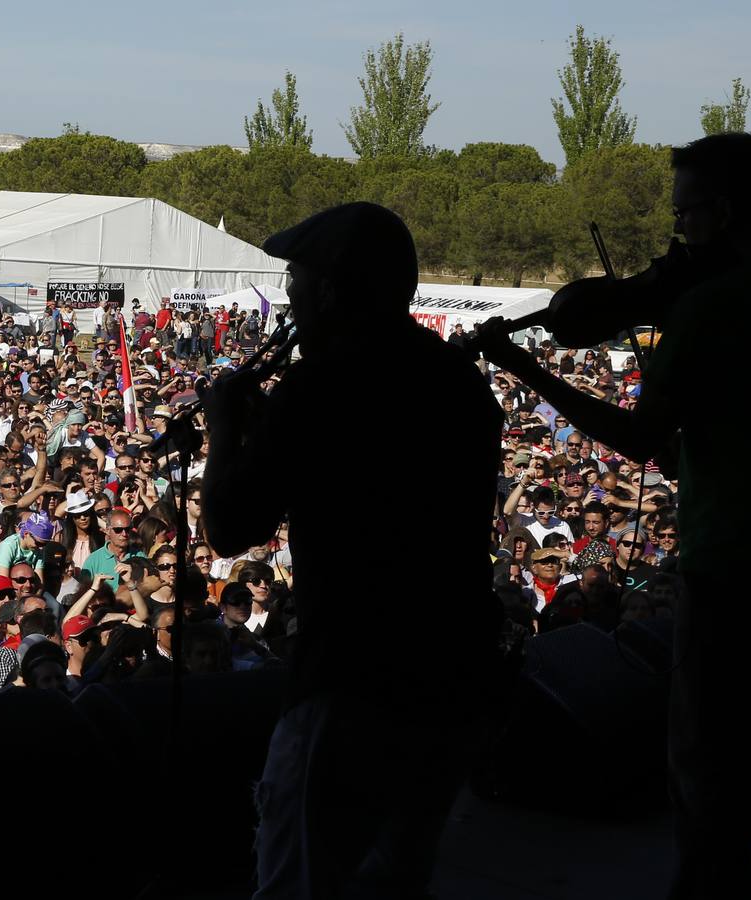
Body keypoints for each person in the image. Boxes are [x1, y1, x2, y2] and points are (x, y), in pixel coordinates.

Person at [474, 133, 751, 899]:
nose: (676, 234)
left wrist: (523, 368)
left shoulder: (711, 304)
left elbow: (636, 436)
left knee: (707, 764)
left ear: (721, 211)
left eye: (685, 213)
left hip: (734, 559)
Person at [200, 202, 502, 899]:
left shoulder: (322, 385)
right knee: (398, 876)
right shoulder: (458, 381)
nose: (289, 302)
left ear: (331, 290)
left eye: (296, 284)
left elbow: (228, 526)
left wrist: (225, 430)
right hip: (453, 674)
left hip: (352, 677)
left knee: (299, 875)